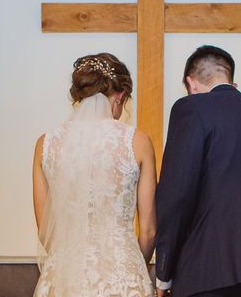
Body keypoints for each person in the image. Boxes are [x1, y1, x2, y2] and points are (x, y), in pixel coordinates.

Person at [155, 45, 241, 297]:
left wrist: (164, 271)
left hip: (206, 276)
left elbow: (177, 196)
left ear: (191, 84)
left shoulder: (191, 108)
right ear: (232, 83)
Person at [32, 53, 157, 297]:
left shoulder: (45, 144)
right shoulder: (137, 142)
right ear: (120, 96)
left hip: (64, 278)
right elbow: (149, 229)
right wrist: (131, 264)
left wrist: (69, 262)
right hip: (124, 278)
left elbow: (45, 230)